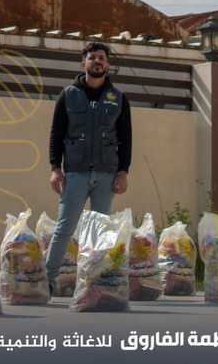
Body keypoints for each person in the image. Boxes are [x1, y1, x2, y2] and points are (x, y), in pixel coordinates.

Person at [46, 41, 132, 294]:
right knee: (64, 228)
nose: (97, 61)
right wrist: (55, 168)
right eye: (92, 57)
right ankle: (47, 281)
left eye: (101, 58)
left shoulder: (118, 98)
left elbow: (126, 138)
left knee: (100, 232)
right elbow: (56, 134)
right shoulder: (68, 95)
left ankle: (95, 284)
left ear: (107, 64)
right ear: (83, 63)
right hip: (75, 173)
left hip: (107, 174)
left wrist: (123, 172)